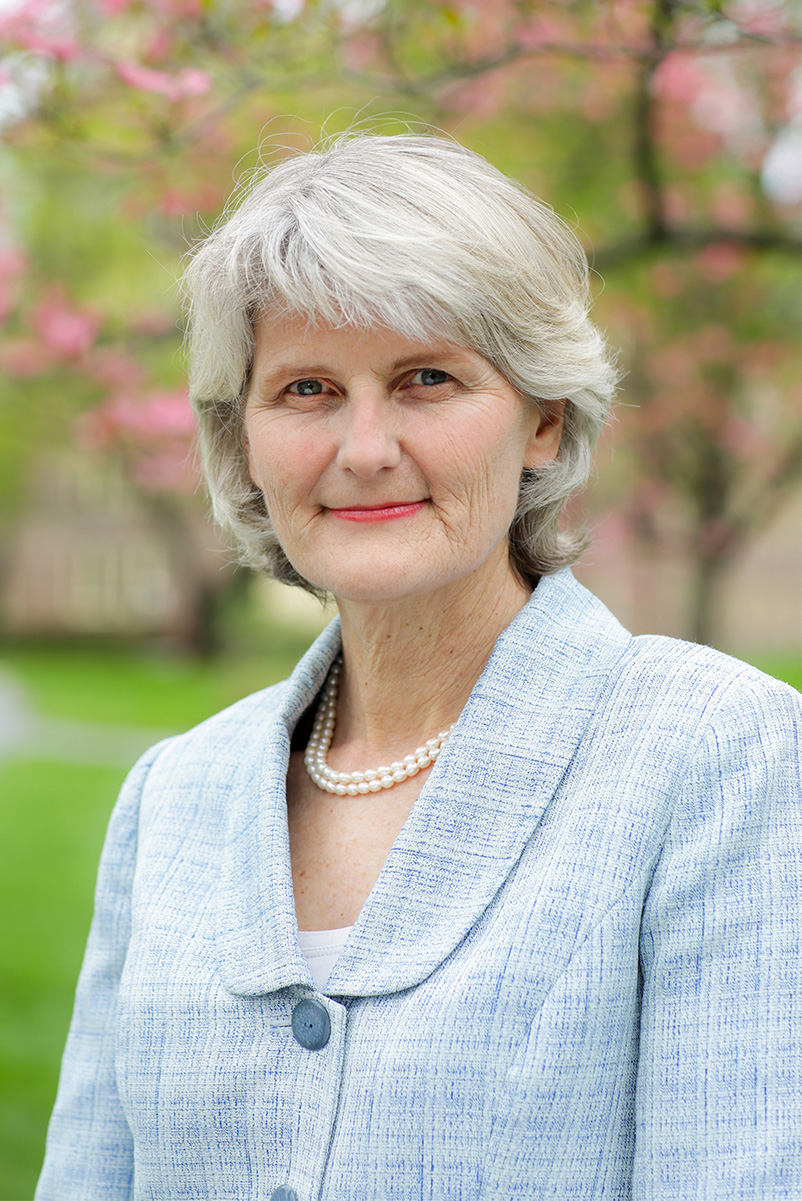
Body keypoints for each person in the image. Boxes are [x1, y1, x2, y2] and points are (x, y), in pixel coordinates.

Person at [36, 132, 801, 1201]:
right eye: (305, 389)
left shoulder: (718, 755)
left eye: (425, 379)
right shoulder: (173, 797)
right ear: (241, 439)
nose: (362, 448)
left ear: (541, 417)